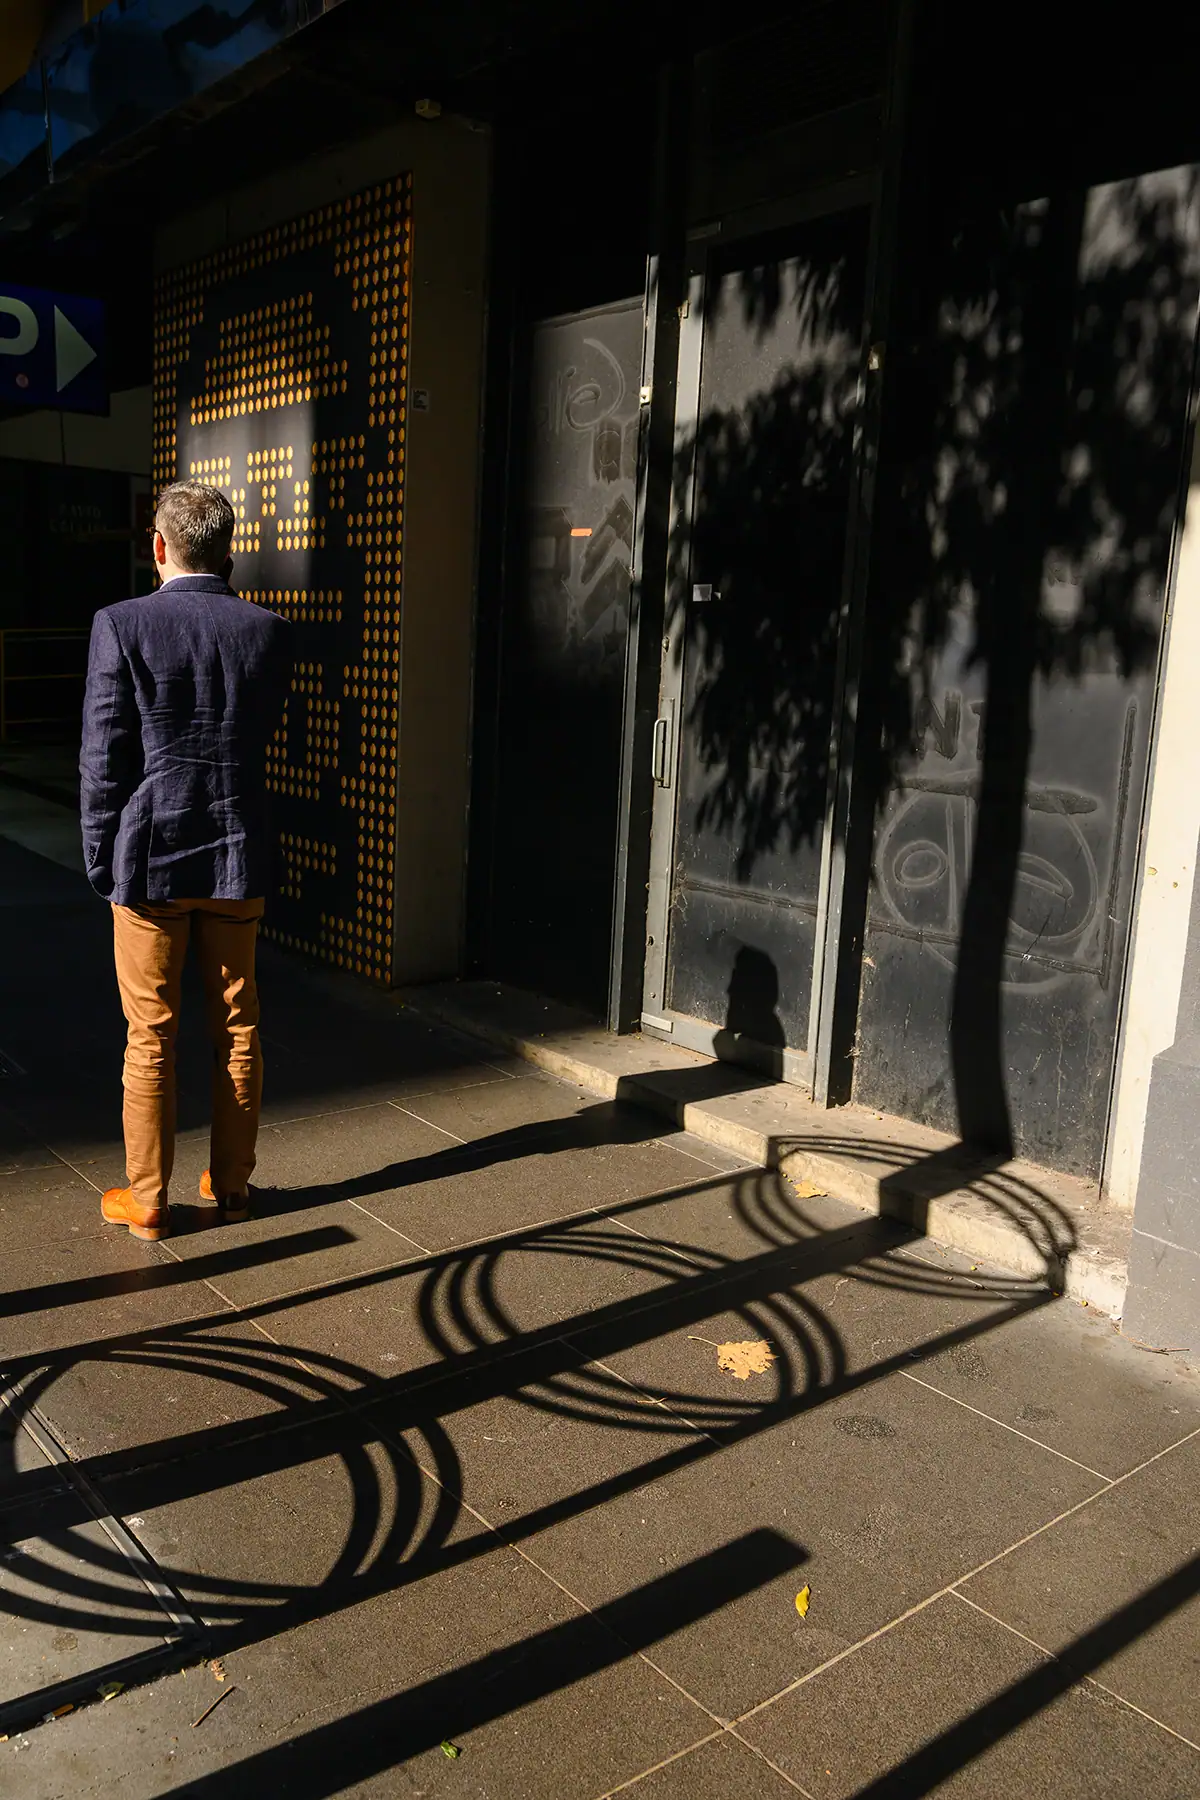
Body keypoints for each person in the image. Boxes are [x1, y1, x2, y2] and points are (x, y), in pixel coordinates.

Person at [80, 481, 294, 1240]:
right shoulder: (267, 629)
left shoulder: (122, 625)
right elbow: (268, 742)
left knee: (151, 1033)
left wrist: (100, 858)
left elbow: (103, 759)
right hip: (238, 854)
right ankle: (233, 1188)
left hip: (151, 858)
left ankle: (147, 1200)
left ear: (159, 545)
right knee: (240, 1028)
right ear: (225, 549)